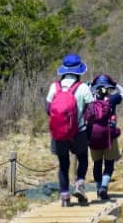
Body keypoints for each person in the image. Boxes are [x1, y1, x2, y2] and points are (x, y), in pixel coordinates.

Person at [46, 54, 94, 206]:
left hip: (59, 133)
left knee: (63, 164)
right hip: (79, 131)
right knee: (83, 159)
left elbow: (48, 109)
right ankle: (79, 183)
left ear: (64, 70)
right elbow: (92, 111)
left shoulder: (55, 87)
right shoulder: (83, 88)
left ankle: (65, 196)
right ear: (79, 71)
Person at [85, 73, 123, 200]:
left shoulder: (90, 99)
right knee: (109, 164)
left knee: (97, 164)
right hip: (109, 136)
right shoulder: (112, 99)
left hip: (92, 135)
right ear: (108, 88)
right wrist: (114, 84)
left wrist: (90, 85)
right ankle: (104, 187)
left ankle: (98, 189)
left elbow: (82, 96)